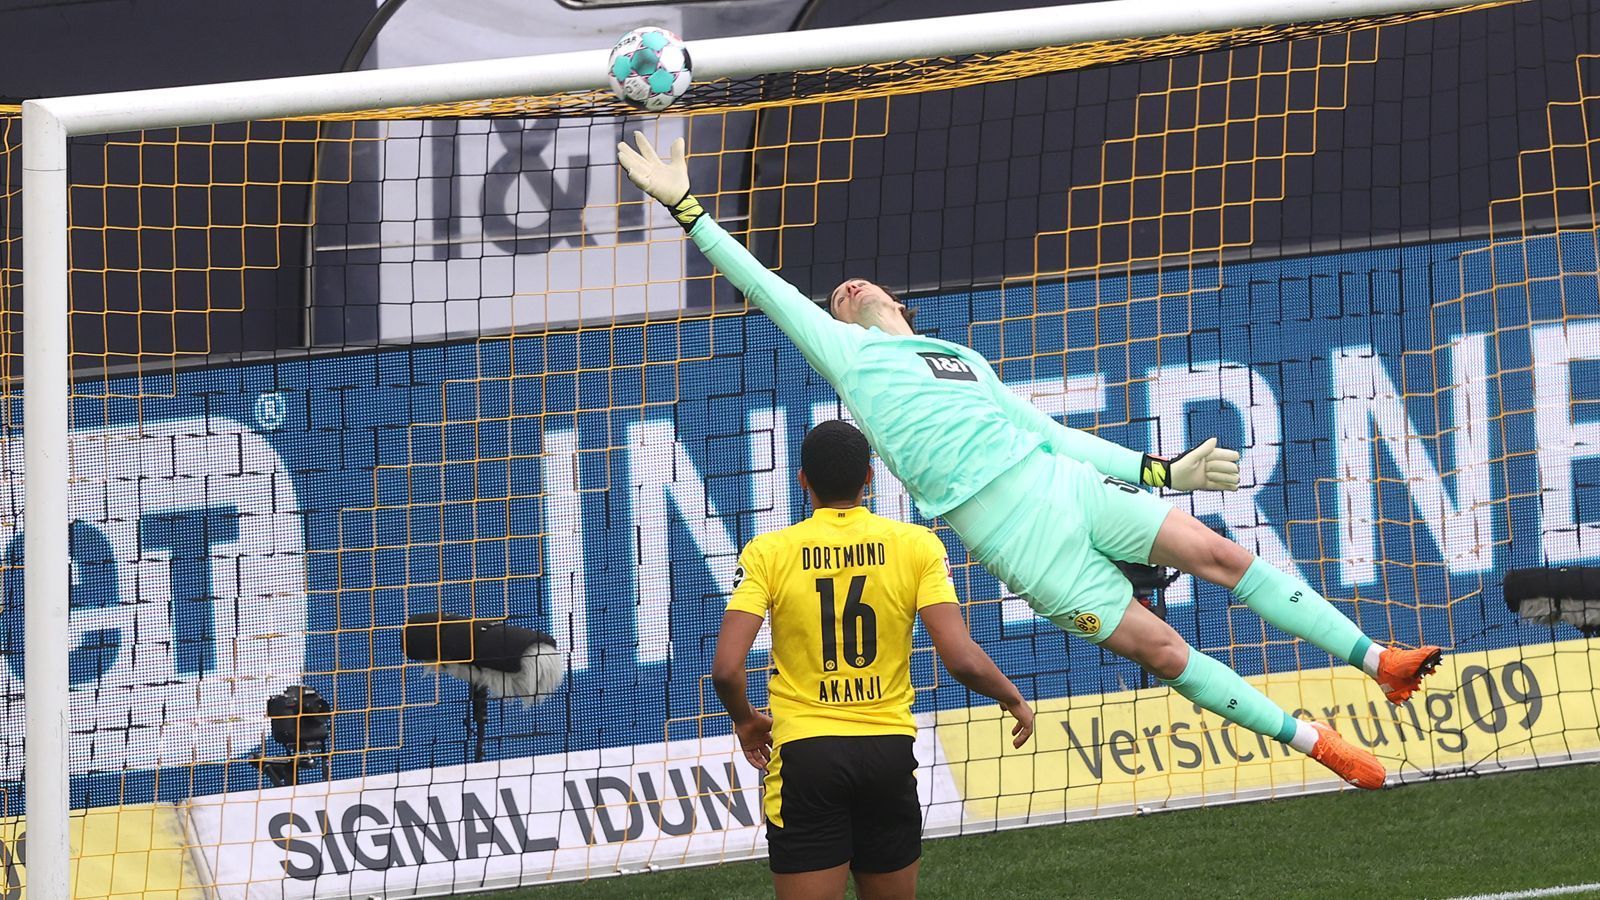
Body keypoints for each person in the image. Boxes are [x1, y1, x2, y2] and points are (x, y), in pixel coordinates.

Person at [624, 132, 1441, 790]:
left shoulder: (960, 358)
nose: (846, 290)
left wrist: (1159, 472)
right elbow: (763, 285)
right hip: (1020, 541)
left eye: (858, 286)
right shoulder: (848, 356)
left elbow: (1052, 435)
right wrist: (689, 210)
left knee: (1223, 553)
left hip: (1063, 484)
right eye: (839, 292)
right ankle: (1315, 742)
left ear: (897, 306)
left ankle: (1380, 661)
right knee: (1160, 650)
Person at [712, 420, 1034, 900]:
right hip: (886, 752)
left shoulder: (768, 552)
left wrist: (745, 720)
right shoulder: (917, 545)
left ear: (803, 480)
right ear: (868, 477)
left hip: (807, 755)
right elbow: (960, 658)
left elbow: (726, 669)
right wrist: (1013, 698)